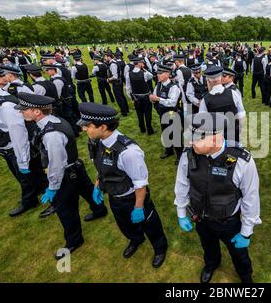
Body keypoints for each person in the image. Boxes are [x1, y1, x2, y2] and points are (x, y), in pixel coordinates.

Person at [15, 93, 107, 259]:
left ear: (37, 112)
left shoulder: (51, 134)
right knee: (87, 191)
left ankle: (74, 240)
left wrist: (52, 187)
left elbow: (56, 165)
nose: (22, 112)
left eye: (25, 110)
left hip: (65, 174)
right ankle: (99, 210)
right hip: (75, 166)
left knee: (66, 210)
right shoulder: (55, 120)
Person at [174, 112, 261, 283]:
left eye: (197, 138)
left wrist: (246, 231)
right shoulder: (188, 154)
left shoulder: (242, 161)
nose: (191, 142)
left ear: (216, 138)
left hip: (228, 222)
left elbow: (251, 198)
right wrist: (181, 212)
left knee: (239, 254)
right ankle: (211, 264)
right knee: (208, 246)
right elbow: (182, 183)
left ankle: (245, 275)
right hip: (201, 218)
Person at [78, 102, 168, 266]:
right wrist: (97, 185)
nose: (84, 129)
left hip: (132, 198)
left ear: (103, 127)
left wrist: (139, 207)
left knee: (150, 226)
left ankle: (160, 248)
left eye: (88, 126)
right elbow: (101, 167)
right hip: (114, 196)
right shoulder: (97, 142)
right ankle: (136, 239)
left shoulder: (129, 152)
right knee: (125, 224)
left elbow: (140, 183)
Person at [0, 70, 48, 217]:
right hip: (7, 148)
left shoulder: (6, 106)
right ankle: (32, 199)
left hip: (16, 149)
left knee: (33, 178)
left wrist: (22, 161)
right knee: (26, 178)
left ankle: (51, 201)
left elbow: (19, 135)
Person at [198, 65, 246, 144]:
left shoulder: (205, 100)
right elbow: (241, 115)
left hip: (216, 137)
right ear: (220, 77)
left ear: (208, 80)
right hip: (234, 133)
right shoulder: (233, 93)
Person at [150, 64, 182, 165]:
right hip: (162, 113)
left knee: (175, 135)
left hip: (172, 114)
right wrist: (153, 99)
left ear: (168, 74)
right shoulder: (158, 85)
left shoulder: (174, 87)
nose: (158, 75)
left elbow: (172, 102)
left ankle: (180, 155)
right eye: (157, 73)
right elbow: (155, 96)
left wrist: (158, 99)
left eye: (160, 73)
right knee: (165, 132)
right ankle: (169, 151)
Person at [125, 57, 155, 135]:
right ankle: (149, 130)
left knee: (139, 114)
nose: (143, 64)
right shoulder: (144, 73)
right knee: (148, 113)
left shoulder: (128, 74)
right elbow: (151, 76)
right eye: (142, 63)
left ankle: (142, 129)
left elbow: (128, 88)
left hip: (136, 97)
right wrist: (144, 69)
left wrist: (131, 97)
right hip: (145, 96)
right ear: (138, 63)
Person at [105, 52, 129, 116]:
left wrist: (108, 79)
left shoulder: (112, 64)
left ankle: (124, 112)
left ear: (109, 57)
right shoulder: (114, 62)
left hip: (116, 83)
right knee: (122, 96)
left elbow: (115, 76)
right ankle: (126, 109)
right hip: (119, 82)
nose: (105, 58)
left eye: (105, 57)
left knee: (119, 98)